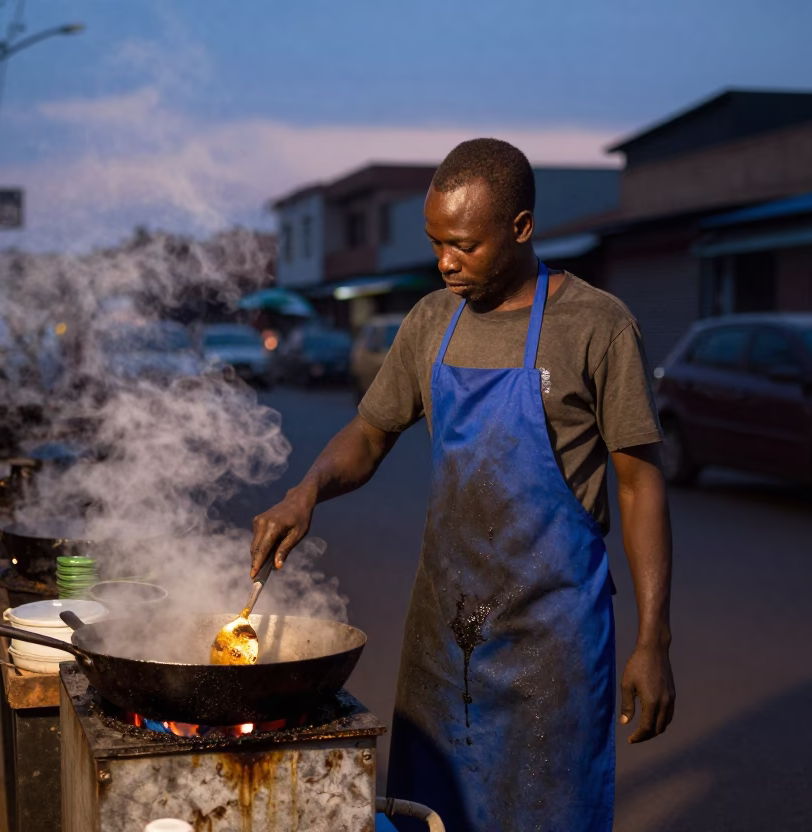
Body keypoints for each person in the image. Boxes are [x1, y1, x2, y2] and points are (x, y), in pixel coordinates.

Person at [251, 139, 675, 831]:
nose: (445, 262)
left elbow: (640, 489)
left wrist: (653, 641)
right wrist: (309, 489)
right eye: (436, 243)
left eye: (464, 246)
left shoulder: (597, 326)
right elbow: (369, 434)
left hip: (553, 645)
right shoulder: (429, 323)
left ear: (522, 227)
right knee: (432, 814)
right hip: (442, 644)